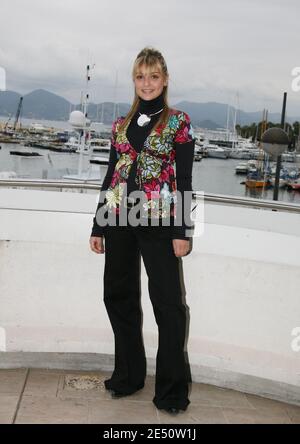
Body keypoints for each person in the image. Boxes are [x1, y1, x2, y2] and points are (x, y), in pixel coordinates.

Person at [89, 47, 195, 415]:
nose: (146, 83)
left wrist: (183, 231)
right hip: (119, 219)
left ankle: (171, 391)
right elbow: (111, 176)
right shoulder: (120, 124)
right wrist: (98, 223)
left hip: (160, 223)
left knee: (168, 306)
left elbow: (184, 180)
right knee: (119, 297)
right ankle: (128, 376)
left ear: (164, 80)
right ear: (134, 80)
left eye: (153, 76)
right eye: (140, 76)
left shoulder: (179, 122)